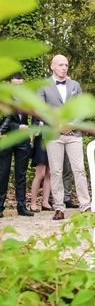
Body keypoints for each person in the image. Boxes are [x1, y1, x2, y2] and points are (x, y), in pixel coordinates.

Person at [38, 54, 91, 221]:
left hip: (74, 134)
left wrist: (72, 125)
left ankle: (85, 205)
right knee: (56, 171)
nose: (64, 68)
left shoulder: (75, 85)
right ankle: (59, 208)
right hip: (54, 134)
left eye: (66, 65)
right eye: (60, 65)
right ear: (52, 66)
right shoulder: (43, 86)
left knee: (79, 170)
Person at [0, 73, 34, 217]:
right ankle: (0, 207)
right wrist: (17, 127)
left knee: (21, 174)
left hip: (22, 139)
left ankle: (21, 206)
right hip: (6, 138)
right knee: (3, 173)